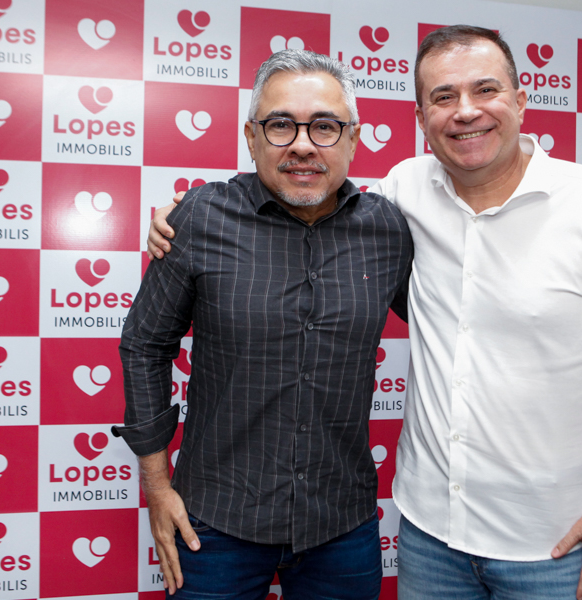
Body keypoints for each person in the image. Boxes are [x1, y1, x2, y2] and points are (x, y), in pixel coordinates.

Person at [148, 26, 582, 600]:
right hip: (431, 533)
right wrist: (184, 215)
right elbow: (309, 196)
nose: (466, 111)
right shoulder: (403, 193)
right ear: (422, 118)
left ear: (522, 100)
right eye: (444, 96)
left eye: (485, 90)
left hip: (551, 541)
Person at [116, 49, 412, 600]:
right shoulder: (199, 218)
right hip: (215, 523)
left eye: (325, 126)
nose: (303, 144)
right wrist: (156, 485)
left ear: (352, 139)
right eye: (280, 125)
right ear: (251, 138)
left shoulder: (390, 230)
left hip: (341, 523)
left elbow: (455, 322)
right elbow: (145, 345)